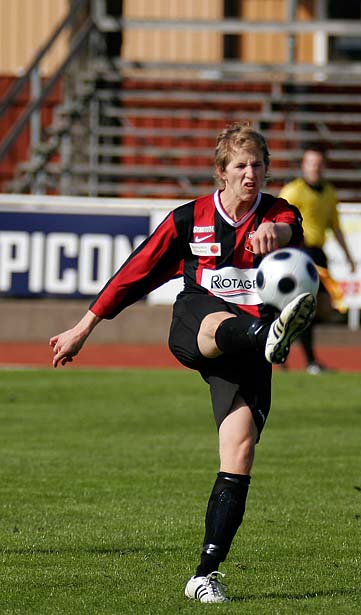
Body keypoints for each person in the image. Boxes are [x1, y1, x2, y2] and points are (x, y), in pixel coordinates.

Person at [50, 123, 317, 603]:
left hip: (250, 352)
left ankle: (204, 574)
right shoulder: (188, 219)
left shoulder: (278, 213)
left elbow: (293, 228)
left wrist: (279, 231)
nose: (250, 173)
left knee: (239, 454)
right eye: (240, 166)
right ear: (221, 173)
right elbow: (134, 274)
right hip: (201, 325)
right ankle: (268, 335)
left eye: (258, 165)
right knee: (213, 320)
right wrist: (82, 328)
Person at [279, 144, 357, 374]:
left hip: (319, 254)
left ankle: (284, 336)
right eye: (310, 163)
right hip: (299, 253)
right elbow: (277, 224)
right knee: (306, 306)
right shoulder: (292, 191)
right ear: (303, 165)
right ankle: (310, 361)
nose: (315, 168)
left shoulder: (330, 193)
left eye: (319, 163)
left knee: (323, 308)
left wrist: (348, 256)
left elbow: (335, 226)